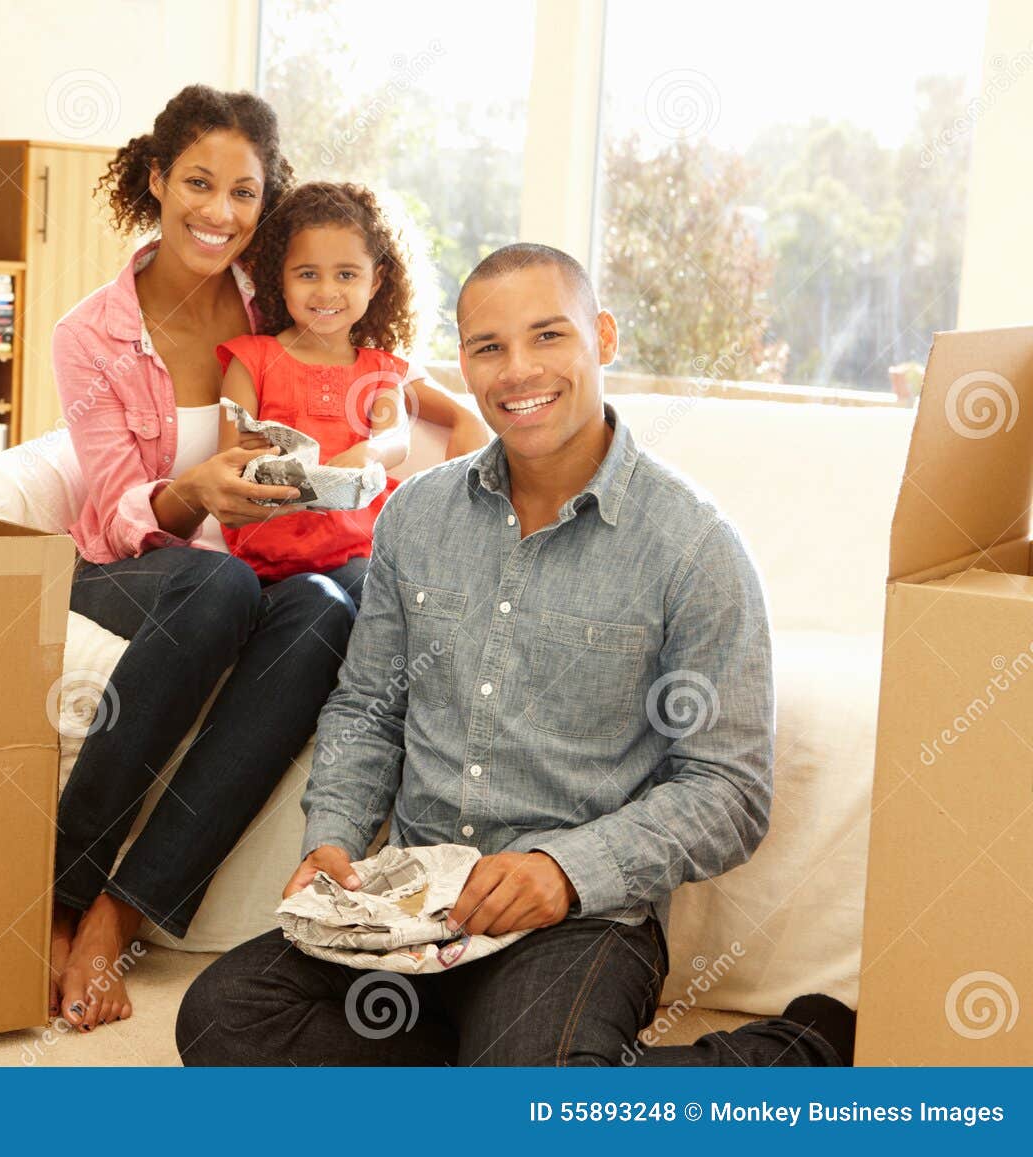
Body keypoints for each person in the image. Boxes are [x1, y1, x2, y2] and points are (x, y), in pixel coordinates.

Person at [177, 242, 858, 1066]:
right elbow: (368, 707)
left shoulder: (695, 546)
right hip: (411, 913)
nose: (517, 370)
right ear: (462, 361)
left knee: (529, 1109)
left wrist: (561, 869)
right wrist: (334, 840)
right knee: (221, 1018)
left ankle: (788, 1051)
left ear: (602, 337)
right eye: (488, 347)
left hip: (574, 925)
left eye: (548, 336)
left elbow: (730, 788)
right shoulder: (416, 516)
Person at [48, 86, 483, 1034]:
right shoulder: (91, 335)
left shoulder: (277, 294)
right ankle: (57, 893)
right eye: (198, 183)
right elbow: (122, 509)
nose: (219, 211)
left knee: (329, 609)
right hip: (145, 561)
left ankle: (125, 909)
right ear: (157, 180)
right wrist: (199, 491)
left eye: (243, 193)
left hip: (271, 572)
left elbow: (399, 384)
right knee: (220, 579)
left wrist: (481, 427)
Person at [216, 181, 419, 608]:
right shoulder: (251, 360)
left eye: (346, 275)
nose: (327, 291)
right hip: (264, 557)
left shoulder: (380, 370)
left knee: (384, 596)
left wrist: (371, 452)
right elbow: (230, 456)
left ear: (375, 281)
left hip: (354, 552)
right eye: (308, 274)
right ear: (281, 280)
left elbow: (396, 437)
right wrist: (258, 456)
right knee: (309, 603)